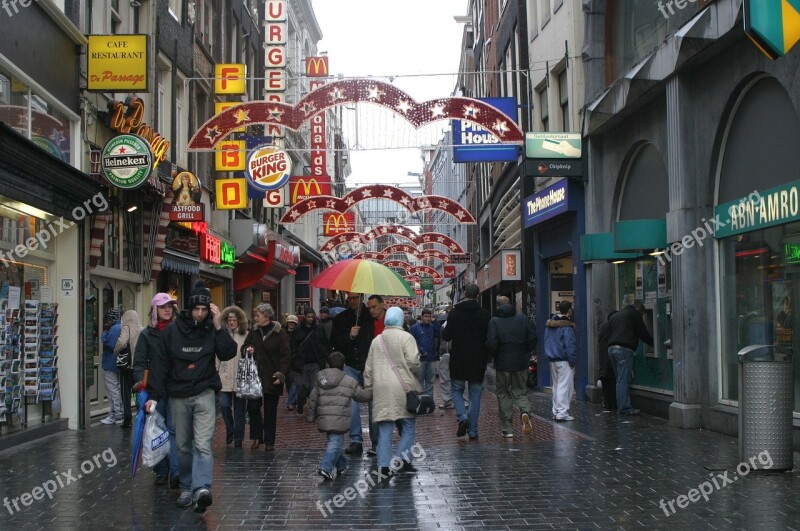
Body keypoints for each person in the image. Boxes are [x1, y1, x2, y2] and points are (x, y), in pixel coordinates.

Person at [145, 282, 237, 513]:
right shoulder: (172, 332)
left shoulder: (211, 329)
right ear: (189, 308)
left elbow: (228, 352)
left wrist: (218, 326)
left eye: (204, 310)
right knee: (183, 445)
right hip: (178, 394)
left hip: (204, 392)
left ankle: (202, 489)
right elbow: (160, 365)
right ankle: (187, 486)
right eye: (196, 309)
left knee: (202, 444)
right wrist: (153, 396)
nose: (200, 313)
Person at [364, 307, 420, 477]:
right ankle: (401, 459)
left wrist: (369, 386)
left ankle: (383, 465)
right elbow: (414, 361)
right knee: (408, 425)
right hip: (402, 388)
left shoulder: (377, 340)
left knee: (385, 428)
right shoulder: (406, 337)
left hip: (381, 388)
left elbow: (369, 367)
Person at [133, 292, 179, 486]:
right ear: (155, 310)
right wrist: (140, 384)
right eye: (162, 306)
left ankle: (176, 471)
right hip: (154, 391)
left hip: (176, 388)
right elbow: (140, 362)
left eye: (169, 306)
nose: (167, 309)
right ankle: (162, 470)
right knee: (157, 430)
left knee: (174, 429)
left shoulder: (179, 331)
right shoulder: (147, 334)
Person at [306, 351, 372, 480]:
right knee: (335, 444)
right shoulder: (349, 381)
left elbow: (313, 399)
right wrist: (372, 392)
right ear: (344, 365)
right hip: (340, 419)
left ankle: (342, 465)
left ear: (328, 364)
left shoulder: (321, 380)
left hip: (325, 418)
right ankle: (325, 468)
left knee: (333, 442)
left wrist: (310, 416)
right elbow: (361, 396)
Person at [440, 283, 491, 440]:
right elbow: (488, 338)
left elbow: (446, 336)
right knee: (475, 394)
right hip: (477, 359)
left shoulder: (455, 313)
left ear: (464, 294)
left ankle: (462, 417)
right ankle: (473, 431)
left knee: (456, 390)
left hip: (459, 359)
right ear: (477, 295)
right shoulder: (484, 314)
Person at [329, 292, 374, 456]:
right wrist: (349, 336)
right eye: (351, 298)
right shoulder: (341, 319)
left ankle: (375, 442)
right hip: (350, 365)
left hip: (369, 366)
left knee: (372, 402)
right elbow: (334, 343)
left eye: (356, 298)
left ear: (361, 298)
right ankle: (356, 440)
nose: (353, 301)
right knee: (352, 402)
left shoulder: (370, 317)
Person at [242, 303, 291, 452]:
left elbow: (285, 356)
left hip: (272, 376)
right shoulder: (254, 332)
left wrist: (281, 374)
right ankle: (257, 436)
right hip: (255, 376)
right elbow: (244, 347)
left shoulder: (280, 334)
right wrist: (247, 350)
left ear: (267, 316)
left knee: (270, 410)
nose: (255, 318)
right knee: (253, 407)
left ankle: (270, 440)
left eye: (258, 315)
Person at [486, 296, 536, 437]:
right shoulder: (522, 318)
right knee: (521, 391)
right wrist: (525, 351)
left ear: (498, 306)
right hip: (520, 361)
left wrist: (497, 356)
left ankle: (507, 428)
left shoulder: (494, 321)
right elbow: (532, 337)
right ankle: (525, 412)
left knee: (503, 393)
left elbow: (492, 342)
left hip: (503, 362)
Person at [606, 301, 653, 416]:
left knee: (619, 380)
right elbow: (642, 332)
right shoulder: (634, 314)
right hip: (623, 349)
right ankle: (624, 408)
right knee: (623, 380)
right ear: (639, 310)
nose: (641, 317)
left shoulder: (616, 315)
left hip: (611, 349)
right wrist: (655, 343)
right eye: (642, 315)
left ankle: (621, 406)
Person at [218, 306, 249, 447]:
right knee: (224, 406)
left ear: (239, 321)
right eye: (229, 320)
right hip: (224, 376)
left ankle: (238, 438)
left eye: (234, 320)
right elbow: (216, 356)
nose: (231, 322)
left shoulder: (246, 336)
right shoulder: (221, 336)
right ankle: (230, 430)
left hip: (240, 377)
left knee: (240, 410)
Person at [544, 301, 577, 421]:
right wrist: (572, 360)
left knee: (556, 386)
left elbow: (546, 341)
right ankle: (562, 412)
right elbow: (570, 345)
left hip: (552, 359)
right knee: (564, 386)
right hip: (564, 360)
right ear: (569, 310)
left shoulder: (550, 325)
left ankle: (556, 410)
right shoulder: (567, 326)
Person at [294, 308, 329, 415]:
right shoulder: (298, 329)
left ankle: (313, 409)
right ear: (304, 317)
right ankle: (300, 404)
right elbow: (293, 346)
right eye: (308, 316)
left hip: (315, 362)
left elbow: (324, 344)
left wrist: (322, 359)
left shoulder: (319, 328)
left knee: (314, 388)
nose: (310, 319)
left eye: (312, 316)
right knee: (301, 387)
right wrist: (295, 361)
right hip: (302, 362)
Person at [114, 310, 142, 430]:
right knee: (138, 392)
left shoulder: (126, 328)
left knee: (126, 393)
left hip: (127, 367)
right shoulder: (142, 329)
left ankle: (127, 419)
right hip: (138, 366)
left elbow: (121, 342)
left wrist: (116, 351)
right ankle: (141, 414)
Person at [100, 308, 123, 426]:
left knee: (112, 390)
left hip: (110, 363)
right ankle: (119, 413)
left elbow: (107, 342)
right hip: (119, 364)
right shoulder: (122, 326)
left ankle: (116, 414)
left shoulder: (114, 328)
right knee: (118, 388)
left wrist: (104, 332)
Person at [409, 308, 439, 398]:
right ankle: (421, 400)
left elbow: (438, 334)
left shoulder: (432, 327)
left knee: (430, 381)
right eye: (426, 317)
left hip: (431, 357)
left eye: (429, 317)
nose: (428, 319)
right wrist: (421, 350)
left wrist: (434, 322)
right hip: (420, 358)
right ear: (421, 317)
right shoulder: (414, 328)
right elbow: (412, 341)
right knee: (420, 380)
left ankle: (429, 400)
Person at [597, 311, 618, 412]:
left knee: (606, 383)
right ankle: (613, 404)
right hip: (610, 360)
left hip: (603, 360)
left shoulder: (603, 328)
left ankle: (607, 403)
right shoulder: (613, 328)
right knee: (612, 382)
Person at [435, 312, 455, 409]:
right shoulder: (442, 326)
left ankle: (456, 400)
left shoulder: (456, 324)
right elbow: (439, 340)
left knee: (455, 379)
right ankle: (447, 400)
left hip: (454, 354)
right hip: (444, 353)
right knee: (444, 379)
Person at [285, 314, 299, 411]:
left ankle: (291, 402)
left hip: (294, 359)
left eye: (293, 323)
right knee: (288, 382)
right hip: (285, 360)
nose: (291, 324)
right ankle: (293, 399)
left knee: (294, 381)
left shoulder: (298, 333)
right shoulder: (283, 332)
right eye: (290, 322)